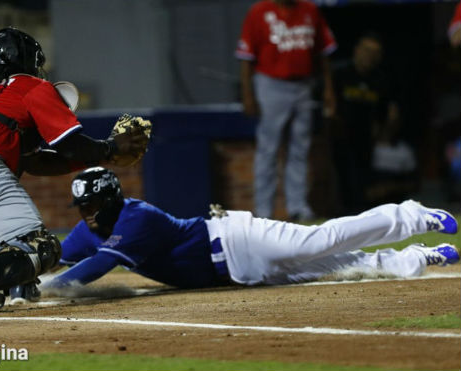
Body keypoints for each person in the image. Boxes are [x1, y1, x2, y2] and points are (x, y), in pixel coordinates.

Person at [0, 27, 149, 313]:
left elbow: (37, 161)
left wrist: (101, 155)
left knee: (14, 239)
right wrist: (110, 149)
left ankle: (20, 283)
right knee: (42, 246)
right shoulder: (32, 86)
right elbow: (70, 145)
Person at [41, 167, 458, 291]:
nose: (89, 212)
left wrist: (48, 290)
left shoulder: (136, 217)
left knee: (322, 239)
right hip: (235, 273)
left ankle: (410, 215)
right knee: (335, 266)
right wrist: (6, 275)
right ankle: (415, 258)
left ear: (111, 200)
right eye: (84, 206)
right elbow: (55, 256)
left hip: (236, 239)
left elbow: (95, 268)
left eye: (94, 204)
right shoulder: (86, 229)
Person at [235, 0, 337, 221]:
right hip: (271, 83)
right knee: (268, 150)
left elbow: (323, 53)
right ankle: (263, 211)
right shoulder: (259, 12)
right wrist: (248, 93)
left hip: (304, 84)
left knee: (300, 148)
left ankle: (298, 207)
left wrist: (328, 89)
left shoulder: (309, 9)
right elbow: (246, 57)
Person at [329, 32, 408, 215]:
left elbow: (388, 110)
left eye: (375, 52)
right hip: (341, 133)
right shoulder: (341, 74)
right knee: (341, 174)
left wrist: (383, 131)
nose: (370, 56)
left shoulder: (381, 80)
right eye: (366, 50)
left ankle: (364, 213)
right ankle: (342, 212)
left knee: (365, 177)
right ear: (356, 51)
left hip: (368, 137)